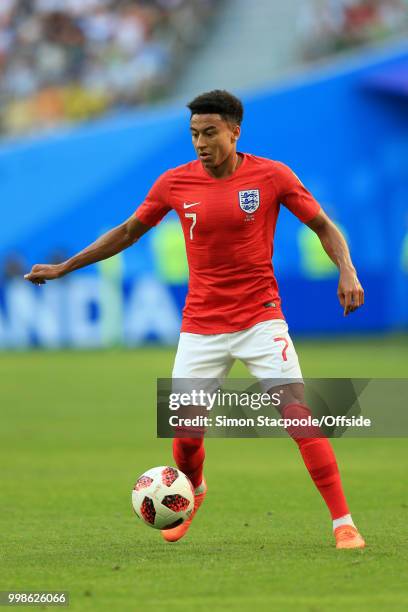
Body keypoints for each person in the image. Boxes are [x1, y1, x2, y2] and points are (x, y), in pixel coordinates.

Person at [25, 89, 365, 549]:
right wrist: (67, 267)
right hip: (201, 326)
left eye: (209, 133)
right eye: (193, 134)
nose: (200, 143)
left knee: (299, 418)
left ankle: (342, 522)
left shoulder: (272, 176)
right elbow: (128, 232)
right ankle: (193, 491)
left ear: (234, 131)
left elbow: (322, 224)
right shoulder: (174, 183)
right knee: (186, 437)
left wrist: (346, 269)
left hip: (261, 320)